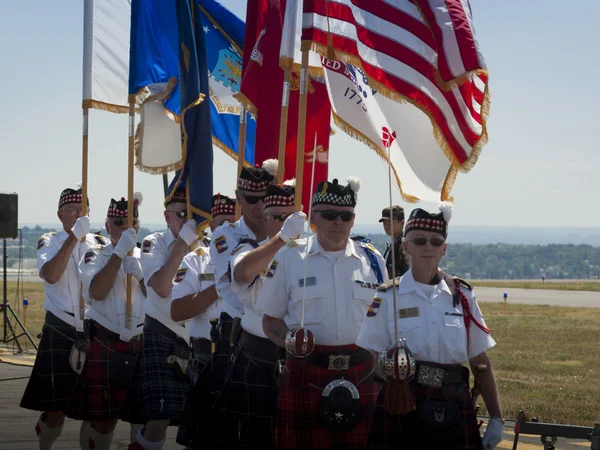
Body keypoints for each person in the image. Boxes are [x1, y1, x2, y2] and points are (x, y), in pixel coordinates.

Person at [356, 204, 503, 450]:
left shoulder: (463, 296)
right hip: (401, 402)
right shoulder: (388, 296)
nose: (428, 247)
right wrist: (389, 376)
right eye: (420, 240)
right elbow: (370, 356)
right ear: (405, 246)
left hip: (454, 402)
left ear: (444, 249)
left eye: (436, 242)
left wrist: (497, 418)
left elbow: (481, 361)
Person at [258, 177, 388, 449]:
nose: (338, 222)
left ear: (354, 219)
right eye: (330, 215)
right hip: (306, 371)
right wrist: (289, 340)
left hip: (362, 372)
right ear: (314, 216)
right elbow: (270, 320)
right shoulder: (289, 257)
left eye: (345, 215)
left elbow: (383, 321)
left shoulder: (373, 260)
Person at [218, 180, 305, 449]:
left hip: (300, 355)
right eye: (277, 217)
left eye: (290, 218)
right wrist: (282, 239)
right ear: (266, 219)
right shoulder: (249, 248)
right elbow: (243, 272)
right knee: (255, 438)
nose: (283, 222)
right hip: (258, 356)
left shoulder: (313, 254)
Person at [20, 186, 105, 450]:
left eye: (82, 209)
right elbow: (51, 274)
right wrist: (73, 239)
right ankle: (45, 443)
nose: (77, 214)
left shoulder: (100, 245)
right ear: (60, 215)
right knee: (56, 408)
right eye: (71, 210)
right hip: (62, 325)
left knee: (100, 411)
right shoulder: (50, 240)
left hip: (96, 328)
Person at [65, 194, 146, 450]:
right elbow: (97, 292)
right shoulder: (94, 255)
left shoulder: (148, 254)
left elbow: (161, 301)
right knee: (103, 420)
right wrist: (120, 254)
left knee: (142, 418)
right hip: (107, 341)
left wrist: (143, 277)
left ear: (138, 225)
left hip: (141, 343)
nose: (124, 228)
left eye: (129, 223)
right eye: (118, 222)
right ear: (107, 224)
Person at [130, 187, 201, 450]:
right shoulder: (153, 243)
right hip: (162, 332)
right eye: (180, 213)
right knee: (157, 421)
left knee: (198, 421)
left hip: (196, 337)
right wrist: (183, 243)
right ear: (167, 216)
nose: (186, 219)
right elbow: (160, 287)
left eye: (191, 213)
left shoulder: (205, 245)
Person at [208, 159, 277, 396]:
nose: (259, 206)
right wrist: (280, 239)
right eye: (251, 199)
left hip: (275, 331)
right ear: (238, 198)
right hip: (237, 329)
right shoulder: (225, 236)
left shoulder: (282, 234)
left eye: (265, 198)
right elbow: (244, 276)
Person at [172, 193, 235, 449]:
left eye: (233, 223)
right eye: (221, 223)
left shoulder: (257, 260)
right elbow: (177, 310)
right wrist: (220, 286)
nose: (226, 230)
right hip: (205, 355)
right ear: (210, 226)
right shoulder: (196, 260)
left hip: (241, 355)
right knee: (199, 439)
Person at [379, 205, 410, 279]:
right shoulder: (394, 245)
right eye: (384, 222)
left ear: (402, 223)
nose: (386, 225)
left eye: (390, 222)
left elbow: (410, 275)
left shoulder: (405, 247)